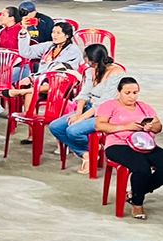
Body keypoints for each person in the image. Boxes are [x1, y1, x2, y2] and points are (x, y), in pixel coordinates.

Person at [95, 77, 163, 220]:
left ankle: (136, 192)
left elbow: (158, 127)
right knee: (142, 168)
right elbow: (99, 126)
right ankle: (137, 203)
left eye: (135, 92)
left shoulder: (144, 107)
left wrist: (151, 127)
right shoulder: (109, 106)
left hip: (144, 144)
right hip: (118, 144)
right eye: (127, 93)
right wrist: (126, 127)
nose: (132, 96)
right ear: (119, 92)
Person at [48, 43, 122, 174]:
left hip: (106, 113)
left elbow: (103, 103)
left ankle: (91, 151)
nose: (87, 64)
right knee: (55, 127)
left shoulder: (116, 73)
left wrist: (81, 118)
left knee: (73, 131)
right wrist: (78, 113)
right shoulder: (90, 71)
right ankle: (87, 152)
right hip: (89, 108)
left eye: (90, 61)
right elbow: (84, 94)